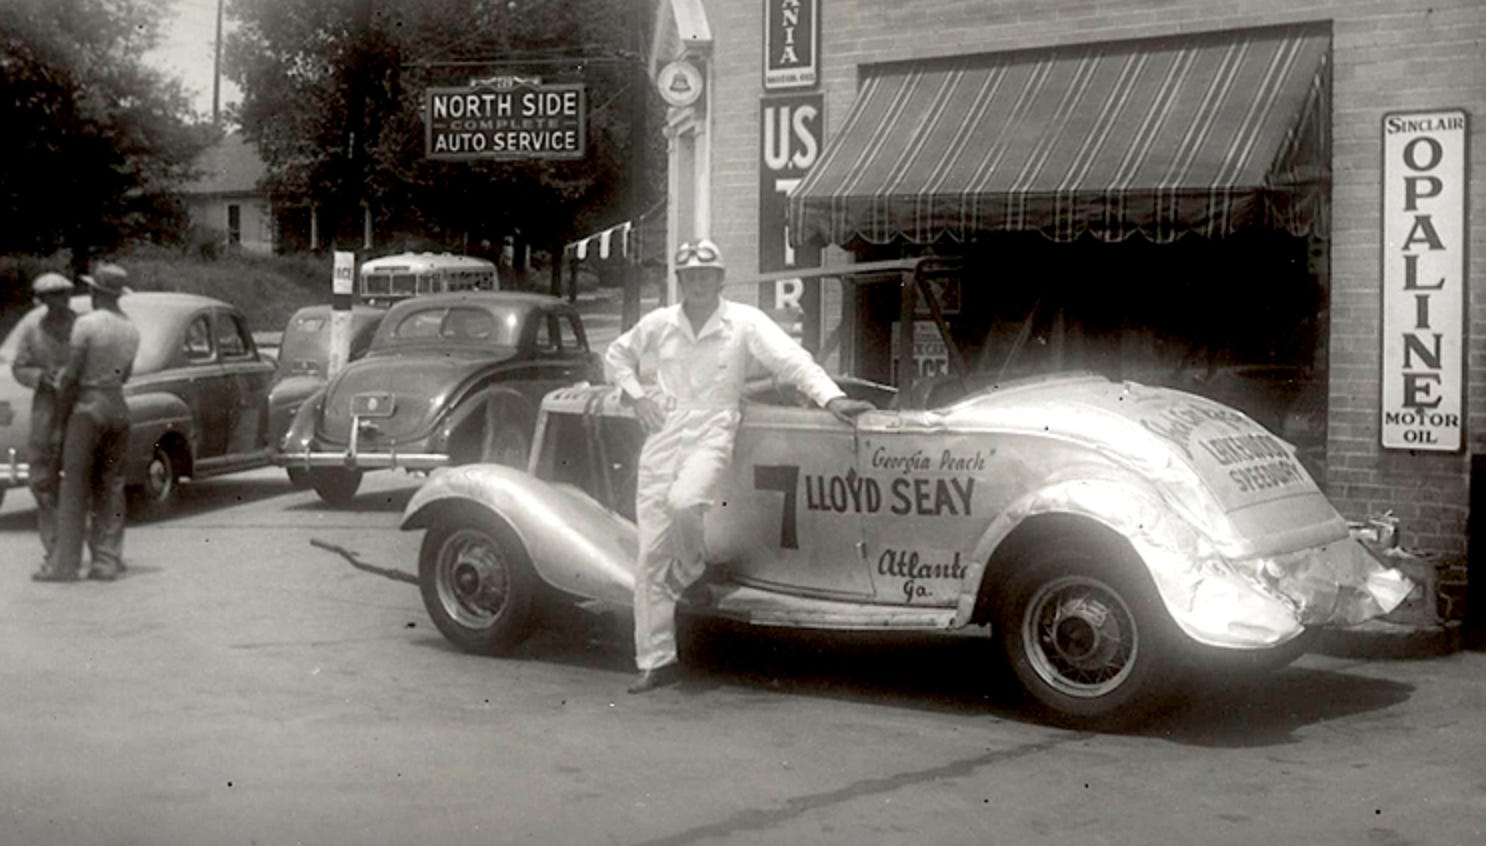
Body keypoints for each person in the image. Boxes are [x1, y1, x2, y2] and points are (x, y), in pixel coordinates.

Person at [604, 239, 874, 693]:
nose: (698, 283)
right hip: (664, 431)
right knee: (650, 553)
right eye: (690, 276)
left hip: (714, 429)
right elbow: (617, 355)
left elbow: (790, 360)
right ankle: (655, 659)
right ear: (681, 281)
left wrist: (831, 397)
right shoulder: (661, 323)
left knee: (685, 501)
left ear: (720, 280)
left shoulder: (744, 321)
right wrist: (637, 397)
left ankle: (690, 572)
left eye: (707, 275)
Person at [42, 263, 140, 583]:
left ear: (97, 292)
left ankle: (65, 564)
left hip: (88, 406)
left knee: (74, 486)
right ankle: (107, 560)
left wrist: (59, 421)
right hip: (118, 406)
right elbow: (124, 375)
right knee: (111, 485)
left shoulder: (86, 324)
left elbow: (71, 376)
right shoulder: (131, 329)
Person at [12, 273, 78, 579]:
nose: (57, 302)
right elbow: (20, 366)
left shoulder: (82, 328)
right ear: (41, 300)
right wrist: (40, 377)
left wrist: (72, 375)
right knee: (41, 481)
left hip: (79, 407)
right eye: (49, 297)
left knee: (81, 481)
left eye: (62, 294)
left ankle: (80, 552)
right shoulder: (32, 330)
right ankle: (54, 551)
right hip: (46, 409)